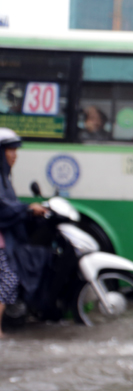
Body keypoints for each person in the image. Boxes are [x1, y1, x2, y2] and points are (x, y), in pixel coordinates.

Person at [0, 128, 47, 336]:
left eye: (15, 151)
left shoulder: (5, 178)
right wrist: (27, 208)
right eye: (10, 151)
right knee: (8, 278)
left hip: (6, 236)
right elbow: (3, 208)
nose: (14, 156)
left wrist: (29, 210)